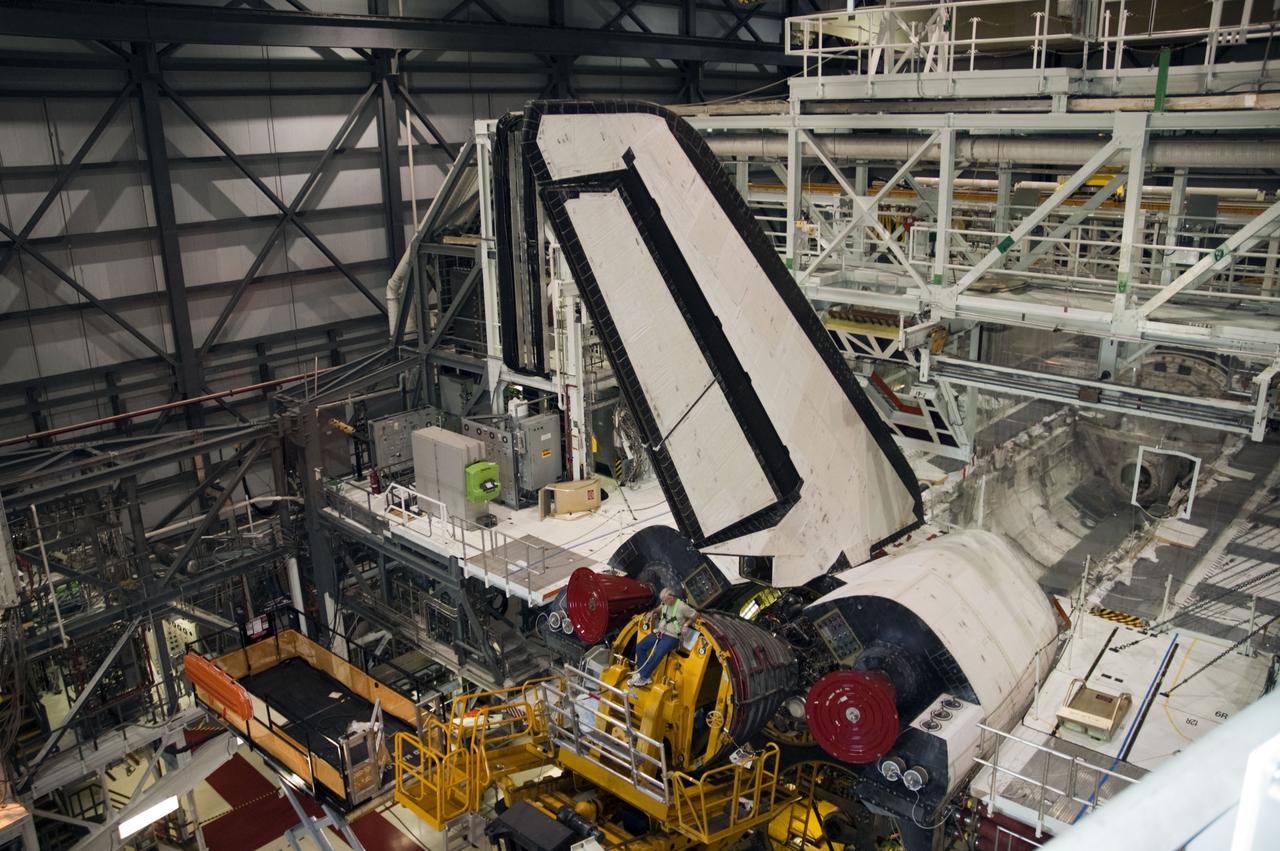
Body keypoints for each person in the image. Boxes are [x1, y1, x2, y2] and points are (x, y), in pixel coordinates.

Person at [628, 587, 697, 687]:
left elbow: (695, 615)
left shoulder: (682, 607)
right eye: (662, 601)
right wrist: (653, 612)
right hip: (660, 632)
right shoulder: (665, 603)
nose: (663, 602)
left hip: (673, 637)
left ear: (671, 598)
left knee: (658, 653)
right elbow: (660, 608)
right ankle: (644, 674)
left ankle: (642, 676)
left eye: (665, 600)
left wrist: (686, 625)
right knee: (640, 646)